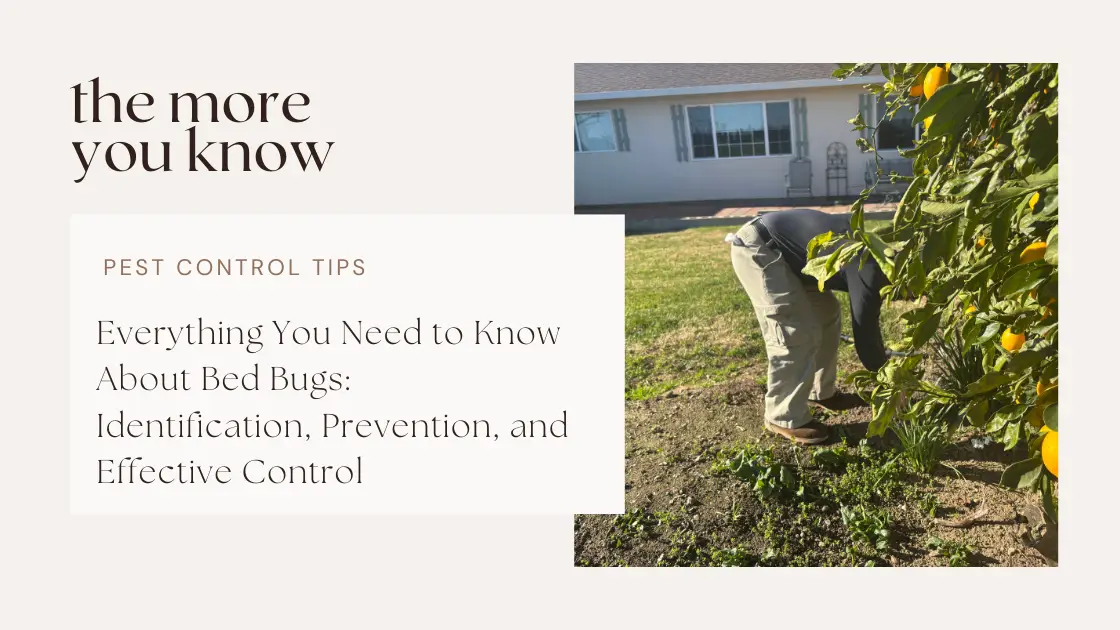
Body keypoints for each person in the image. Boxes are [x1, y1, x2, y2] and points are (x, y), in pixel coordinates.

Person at [728, 208, 889, 445]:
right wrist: (889, 381)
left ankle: (820, 393)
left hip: (798, 257)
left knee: (827, 314)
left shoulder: (877, 258)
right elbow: (866, 336)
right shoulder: (870, 269)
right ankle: (783, 416)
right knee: (795, 328)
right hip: (762, 247)